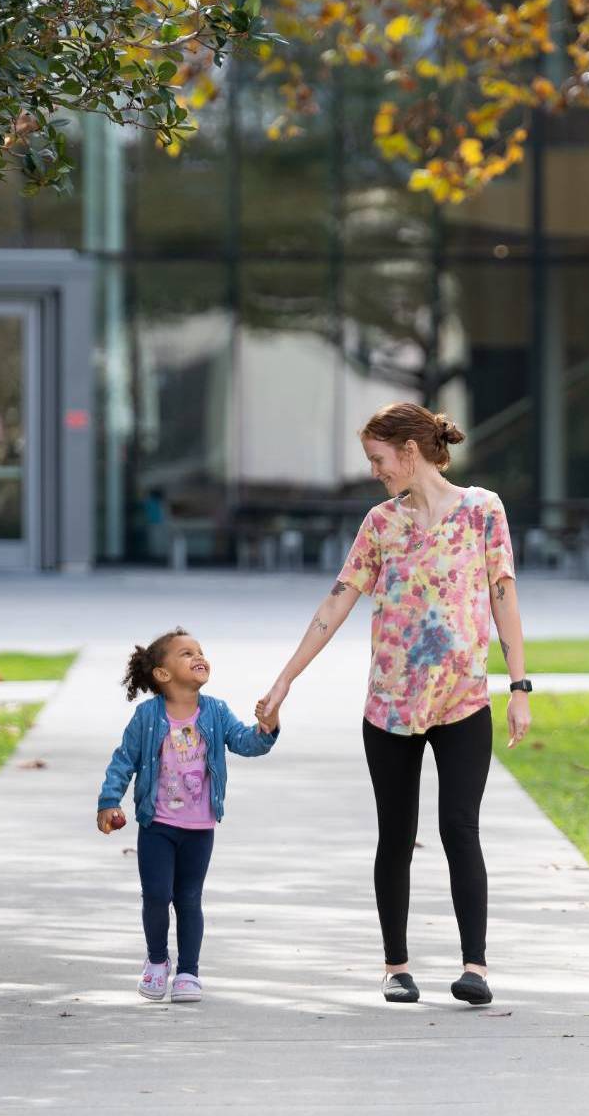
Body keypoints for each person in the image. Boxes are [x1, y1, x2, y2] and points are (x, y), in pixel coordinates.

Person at [256, 402, 531, 1007]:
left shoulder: (484, 511)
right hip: (390, 708)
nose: (375, 471)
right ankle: (396, 966)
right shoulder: (380, 524)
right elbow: (334, 606)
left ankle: (475, 968)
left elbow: (503, 597)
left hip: (463, 702)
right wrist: (284, 682)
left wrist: (518, 686)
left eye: (379, 459)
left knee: (460, 828)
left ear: (410, 451)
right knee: (395, 834)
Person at [98, 627, 281, 1003]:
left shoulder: (215, 711)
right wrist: (109, 800)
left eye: (200, 650)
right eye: (185, 653)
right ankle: (156, 961)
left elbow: (247, 743)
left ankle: (188, 973)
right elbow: (123, 762)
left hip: (199, 826)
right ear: (163, 675)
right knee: (156, 895)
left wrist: (268, 725)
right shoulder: (146, 716)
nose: (198, 656)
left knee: (189, 898)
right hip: (158, 824)